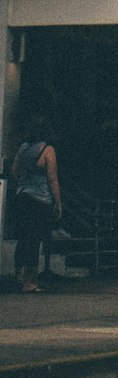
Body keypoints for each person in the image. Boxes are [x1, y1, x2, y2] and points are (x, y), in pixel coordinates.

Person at [12, 116, 62, 293]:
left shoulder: (23, 148)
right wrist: (58, 203)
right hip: (40, 199)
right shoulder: (48, 150)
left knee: (23, 237)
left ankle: (18, 275)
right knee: (35, 239)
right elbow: (52, 178)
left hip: (22, 195)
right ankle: (30, 281)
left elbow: (14, 170)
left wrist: (25, 183)